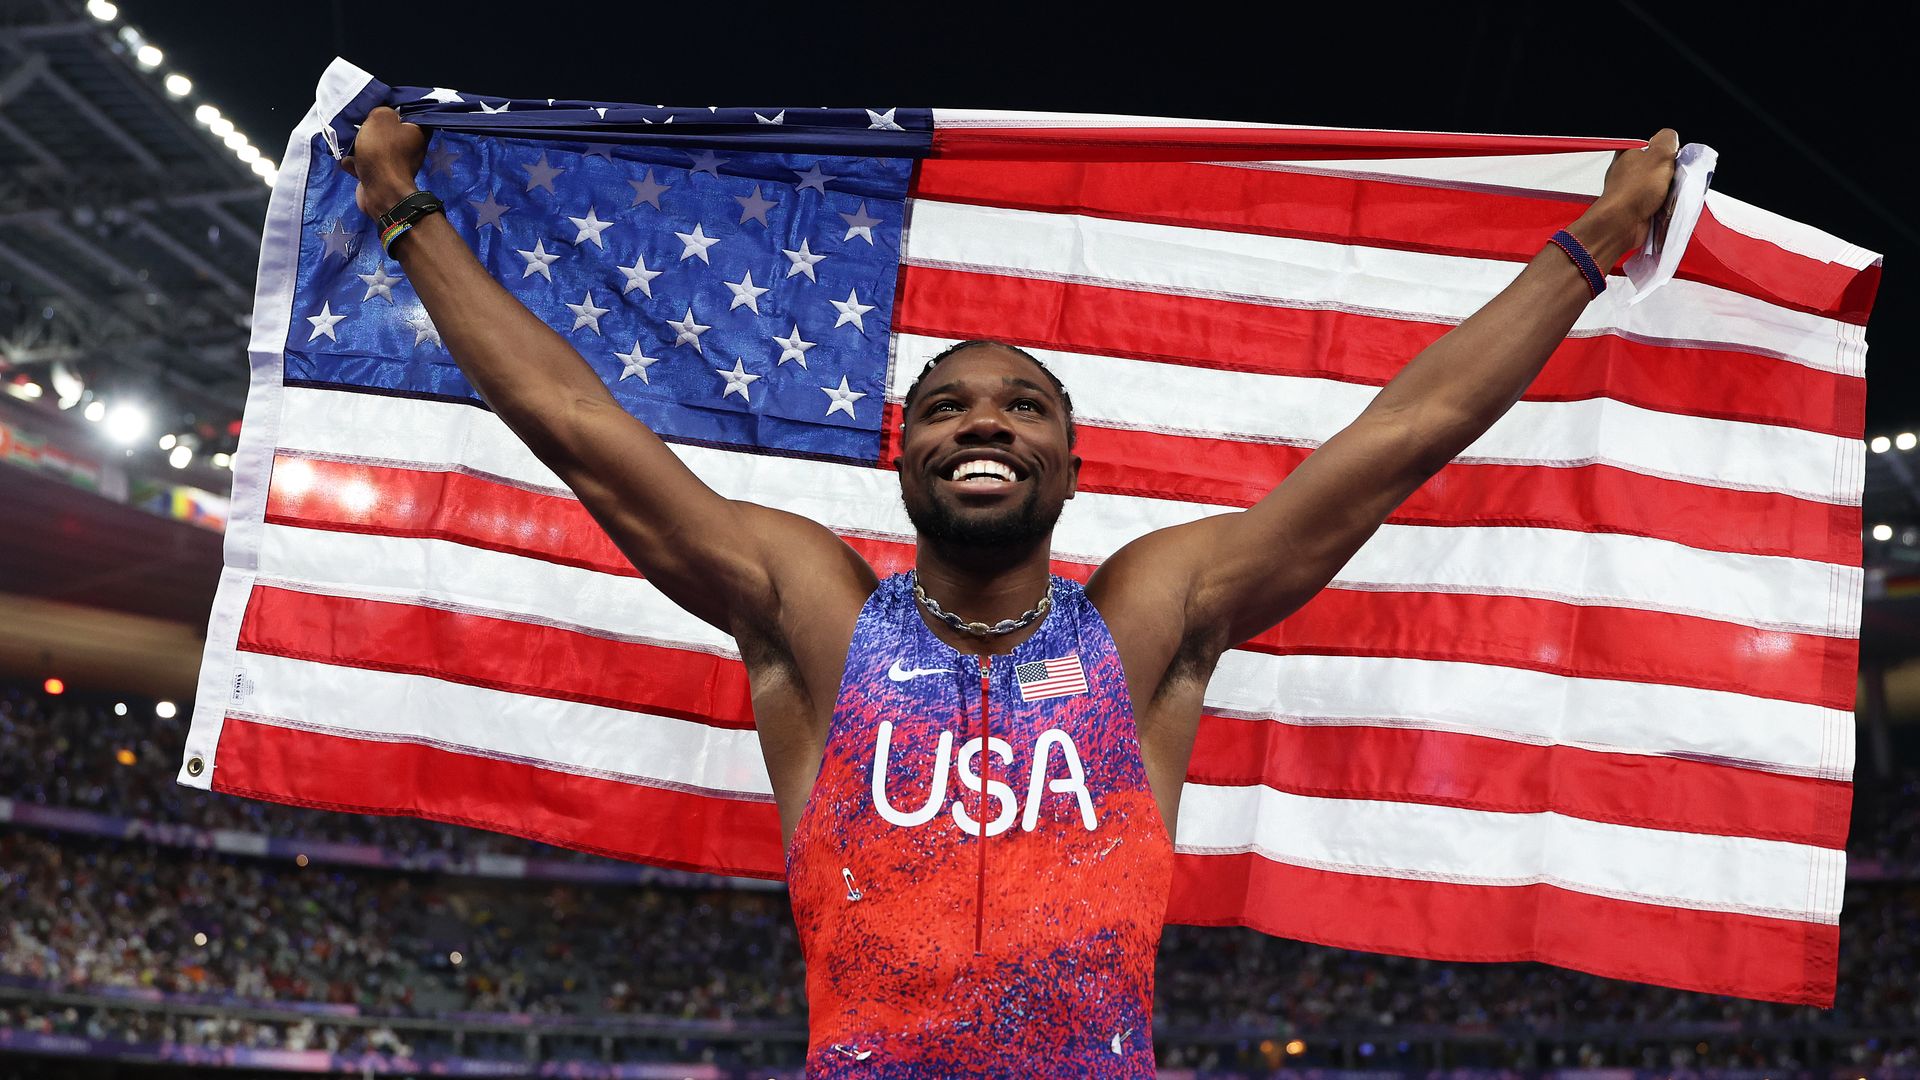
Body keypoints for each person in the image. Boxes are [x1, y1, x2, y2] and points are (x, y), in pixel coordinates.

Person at [345, 109, 1677, 1077]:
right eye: (947, 407)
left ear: (1073, 464)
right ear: (904, 452)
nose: (985, 423)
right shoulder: (814, 615)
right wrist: (407, 218)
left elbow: (1402, 437)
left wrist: (1595, 243)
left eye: (1023, 406)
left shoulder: (1152, 619)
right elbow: (575, 421)